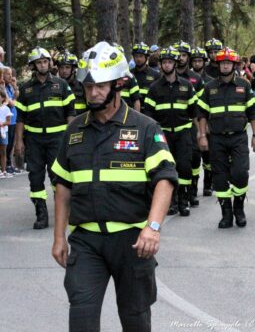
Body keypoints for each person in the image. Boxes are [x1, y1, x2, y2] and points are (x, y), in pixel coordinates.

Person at [51, 41, 178, 332]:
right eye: (87, 86)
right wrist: (59, 238)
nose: (93, 93)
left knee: (135, 320)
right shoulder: (74, 131)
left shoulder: (145, 128)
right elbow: (63, 188)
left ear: (118, 84)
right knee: (81, 317)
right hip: (86, 243)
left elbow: (165, 180)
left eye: (100, 86)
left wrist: (153, 228)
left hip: (132, 243)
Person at [197, 47, 255, 228]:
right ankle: (226, 213)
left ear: (234, 65)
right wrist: (202, 136)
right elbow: (202, 114)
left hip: (238, 137)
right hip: (216, 139)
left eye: (228, 63)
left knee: (240, 173)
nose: (225, 66)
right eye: (222, 63)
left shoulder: (244, 85)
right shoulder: (209, 88)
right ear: (218, 65)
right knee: (219, 177)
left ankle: (239, 209)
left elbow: (252, 113)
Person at [15, 47, 76, 229]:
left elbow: (70, 113)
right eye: (38, 62)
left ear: (49, 63)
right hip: (34, 140)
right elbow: (20, 118)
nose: (42, 65)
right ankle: (41, 214)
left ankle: (63, 211)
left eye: (45, 61)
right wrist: (18, 141)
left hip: (58, 139)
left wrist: (71, 137)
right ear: (33, 65)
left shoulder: (61, 85)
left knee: (58, 177)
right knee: (35, 177)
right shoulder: (25, 89)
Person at [143, 46, 197, 217]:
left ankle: (184, 200)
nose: (166, 65)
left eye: (169, 62)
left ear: (175, 64)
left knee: (184, 167)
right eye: (164, 62)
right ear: (160, 65)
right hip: (163, 134)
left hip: (183, 132)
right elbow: (148, 113)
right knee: (167, 168)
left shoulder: (186, 86)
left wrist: (200, 134)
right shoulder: (154, 88)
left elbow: (195, 111)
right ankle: (171, 201)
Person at [172, 40, 204, 207]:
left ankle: (192, 190)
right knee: (176, 161)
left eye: (184, 55)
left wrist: (203, 129)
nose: (181, 58)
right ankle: (176, 195)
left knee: (194, 158)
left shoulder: (196, 79)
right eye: (178, 55)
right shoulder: (166, 77)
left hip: (193, 123)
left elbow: (202, 105)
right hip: (174, 124)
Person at [190, 47, 214, 196]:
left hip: (207, 121)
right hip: (192, 122)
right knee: (194, 156)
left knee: (208, 156)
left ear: (204, 62)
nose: (197, 63)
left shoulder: (210, 81)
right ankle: (193, 185)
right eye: (195, 60)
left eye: (200, 60)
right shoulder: (187, 78)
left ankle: (208, 183)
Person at [131, 42, 160, 110]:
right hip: (131, 113)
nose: (138, 59)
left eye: (141, 56)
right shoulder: (129, 74)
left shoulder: (156, 75)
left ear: (147, 57)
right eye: (136, 56)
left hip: (150, 114)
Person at [56, 51, 87, 115]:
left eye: (67, 67)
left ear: (73, 69)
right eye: (61, 67)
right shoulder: (55, 86)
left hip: (80, 123)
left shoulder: (82, 86)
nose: (64, 71)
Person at [3, 67, 20, 174]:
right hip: (6, 120)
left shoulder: (9, 86)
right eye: (8, 74)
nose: (11, 76)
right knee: (7, 144)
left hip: (13, 119)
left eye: (11, 74)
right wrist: (15, 100)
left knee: (11, 144)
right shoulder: (2, 88)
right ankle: (6, 165)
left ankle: (10, 164)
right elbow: (12, 103)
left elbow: (17, 96)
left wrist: (15, 86)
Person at [0, 88, 13, 178]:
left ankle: (3, 171)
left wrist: (1, 123)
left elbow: (9, 122)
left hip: (4, 132)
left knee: (3, 152)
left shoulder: (6, 109)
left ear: (3, 98)